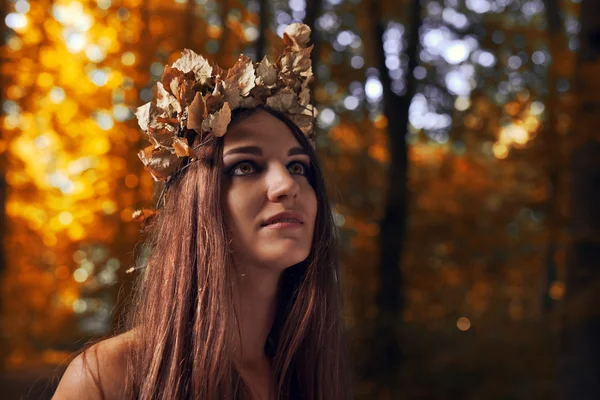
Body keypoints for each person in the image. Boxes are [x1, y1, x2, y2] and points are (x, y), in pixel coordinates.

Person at [53, 23, 351, 400]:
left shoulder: (308, 376)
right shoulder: (107, 378)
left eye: (297, 167)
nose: (288, 185)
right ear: (197, 204)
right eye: (245, 166)